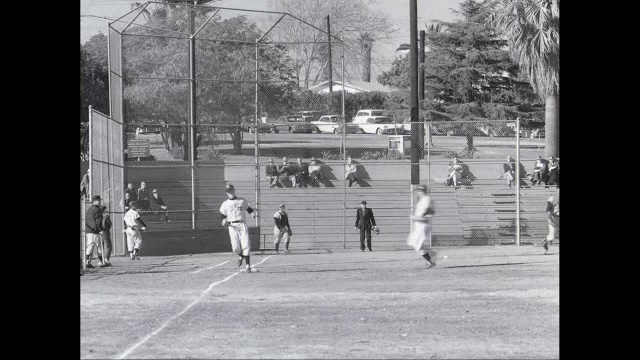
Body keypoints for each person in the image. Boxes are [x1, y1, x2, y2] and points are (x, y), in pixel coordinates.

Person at [219, 184, 257, 273]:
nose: (230, 192)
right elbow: (222, 215)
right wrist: (223, 220)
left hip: (242, 224)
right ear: (226, 193)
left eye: (231, 190)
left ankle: (248, 266)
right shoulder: (225, 204)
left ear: (234, 190)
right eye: (228, 191)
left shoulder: (241, 200)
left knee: (246, 244)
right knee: (235, 248)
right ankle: (241, 255)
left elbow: (249, 209)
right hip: (231, 226)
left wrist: (252, 214)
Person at [406, 185, 437, 268]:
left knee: (417, 244)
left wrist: (415, 217)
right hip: (419, 224)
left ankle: (431, 260)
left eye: (419, 191)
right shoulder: (423, 200)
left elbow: (430, 214)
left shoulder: (427, 200)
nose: (418, 192)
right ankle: (431, 255)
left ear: (423, 191)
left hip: (422, 224)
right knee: (413, 242)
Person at [84, 195, 104, 269]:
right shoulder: (97, 209)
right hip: (95, 231)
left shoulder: (89, 209)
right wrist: (100, 230)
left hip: (88, 230)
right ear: (95, 201)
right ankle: (101, 262)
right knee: (99, 247)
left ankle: (87, 262)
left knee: (90, 246)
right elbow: (98, 221)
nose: (99, 201)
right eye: (98, 200)